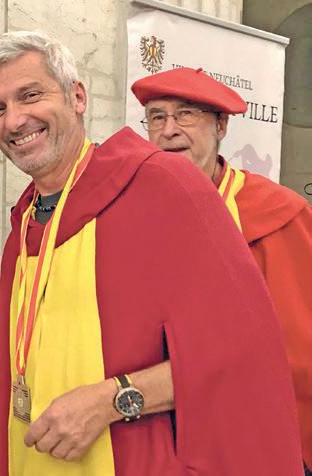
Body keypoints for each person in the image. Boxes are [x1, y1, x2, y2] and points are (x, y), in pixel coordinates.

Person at [0, 31, 303, 475]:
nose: (14, 120)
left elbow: (243, 354)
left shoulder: (162, 185)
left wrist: (113, 399)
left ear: (78, 97)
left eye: (30, 95)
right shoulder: (28, 214)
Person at [131, 66, 312, 473]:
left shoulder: (278, 215)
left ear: (221, 126)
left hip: (252, 435)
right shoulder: (134, 212)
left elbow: (300, 348)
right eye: (157, 117)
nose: (169, 130)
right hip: (159, 432)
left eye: (186, 114)